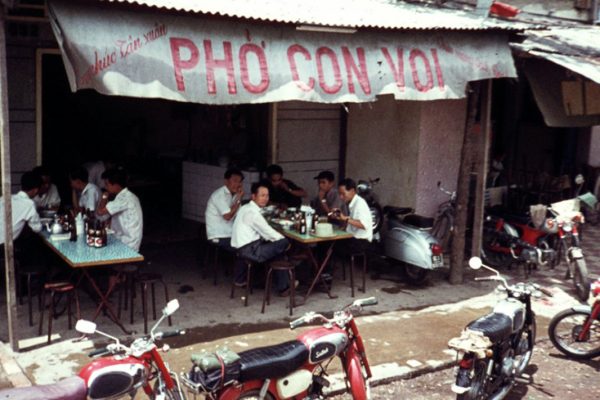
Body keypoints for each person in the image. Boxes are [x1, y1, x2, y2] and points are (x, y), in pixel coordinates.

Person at [231, 181, 295, 296]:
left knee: (277, 250)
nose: (265, 198)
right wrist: (284, 242)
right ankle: (285, 285)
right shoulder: (253, 214)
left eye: (267, 195)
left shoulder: (246, 207)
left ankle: (284, 286)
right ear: (254, 196)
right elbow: (268, 232)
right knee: (283, 243)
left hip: (242, 248)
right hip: (250, 250)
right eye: (262, 195)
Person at [96, 167, 143, 252]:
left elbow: (100, 211)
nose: (105, 187)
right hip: (123, 238)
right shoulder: (124, 196)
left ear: (116, 185)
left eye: (107, 184)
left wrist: (104, 196)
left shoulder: (125, 198)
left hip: (129, 243)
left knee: (97, 247)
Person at [205, 168, 245, 249]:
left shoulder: (233, 195)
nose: (237, 184)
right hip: (218, 236)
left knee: (251, 239)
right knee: (244, 247)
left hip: (229, 233)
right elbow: (227, 216)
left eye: (239, 181)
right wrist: (239, 200)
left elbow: (239, 214)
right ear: (226, 181)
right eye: (235, 180)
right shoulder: (219, 195)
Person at [331, 178, 373, 255]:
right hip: (353, 238)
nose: (341, 197)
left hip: (361, 242)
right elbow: (351, 221)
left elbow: (363, 225)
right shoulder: (352, 203)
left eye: (343, 194)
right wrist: (342, 220)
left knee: (330, 244)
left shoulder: (359, 203)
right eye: (339, 194)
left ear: (352, 191)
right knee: (330, 242)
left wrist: (345, 218)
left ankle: (324, 266)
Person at [0, 171, 42, 245]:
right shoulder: (29, 204)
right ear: (36, 190)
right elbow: (37, 228)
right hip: (4, 247)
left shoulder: (4, 198)